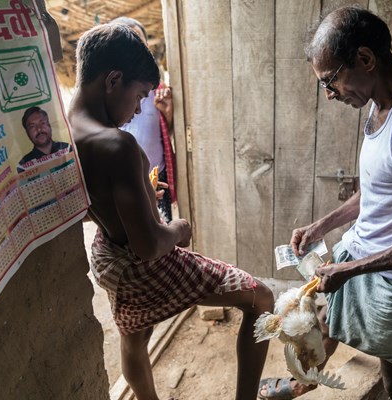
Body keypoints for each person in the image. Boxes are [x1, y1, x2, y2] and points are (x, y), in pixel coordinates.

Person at [259, 7, 392, 400]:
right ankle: (304, 380)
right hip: (363, 255)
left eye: (330, 80)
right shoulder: (379, 105)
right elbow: (376, 189)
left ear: (365, 59)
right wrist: (321, 226)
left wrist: (353, 269)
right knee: (324, 319)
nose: (330, 94)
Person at [68, 24, 274, 400]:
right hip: (140, 261)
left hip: (108, 255)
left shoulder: (66, 129)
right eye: (140, 95)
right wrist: (180, 228)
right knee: (261, 298)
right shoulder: (116, 144)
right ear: (114, 80)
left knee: (133, 335)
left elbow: (91, 203)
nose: (140, 107)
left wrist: (143, 192)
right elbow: (148, 245)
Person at [109, 17, 176, 222]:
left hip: (158, 175)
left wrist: (168, 112)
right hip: (124, 180)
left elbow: (167, 134)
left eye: (140, 44)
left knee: (160, 228)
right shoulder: (109, 91)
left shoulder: (159, 91)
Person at [17, 106, 72, 172]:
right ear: (27, 133)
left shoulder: (68, 149)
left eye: (42, 123)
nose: (39, 129)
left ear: (49, 125)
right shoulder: (23, 166)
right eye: (32, 126)